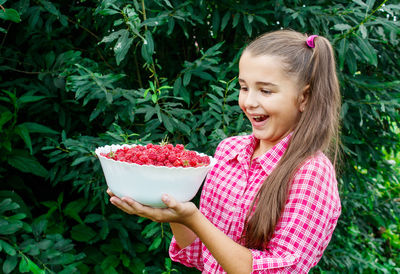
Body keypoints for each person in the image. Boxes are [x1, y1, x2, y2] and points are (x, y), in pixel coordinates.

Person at [107, 29, 342, 273]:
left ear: (304, 98)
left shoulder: (311, 173)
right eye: (243, 87)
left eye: (266, 91)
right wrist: (175, 211)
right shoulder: (229, 151)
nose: (249, 102)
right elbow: (202, 256)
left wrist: (193, 218)